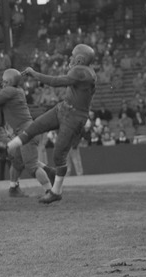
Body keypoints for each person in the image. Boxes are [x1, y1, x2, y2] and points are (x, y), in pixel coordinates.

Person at [8, 44, 98, 203]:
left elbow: (56, 82)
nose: (70, 58)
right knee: (34, 127)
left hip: (74, 116)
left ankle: (56, 191)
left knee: (59, 155)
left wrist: (34, 73)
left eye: (72, 56)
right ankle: (8, 147)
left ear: (79, 59)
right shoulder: (84, 71)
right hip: (63, 108)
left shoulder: (82, 71)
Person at [0, 68, 54, 200]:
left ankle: (50, 191)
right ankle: (13, 188)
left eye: (4, 81)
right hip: (24, 130)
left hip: (26, 132)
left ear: (8, 81)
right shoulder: (17, 90)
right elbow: (3, 92)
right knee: (16, 161)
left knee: (32, 166)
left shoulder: (9, 91)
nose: (2, 83)